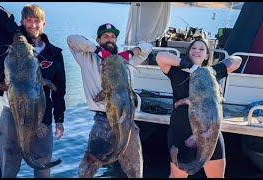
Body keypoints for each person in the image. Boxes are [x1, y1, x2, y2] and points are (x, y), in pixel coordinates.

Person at [0, 3, 66, 178]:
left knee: (43, 169)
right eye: (28, 20)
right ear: (22, 21)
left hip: (42, 117)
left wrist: (59, 119)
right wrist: (17, 32)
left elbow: (60, 90)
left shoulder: (54, 53)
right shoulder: (10, 42)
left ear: (44, 24)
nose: (33, 25)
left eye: (37, 21)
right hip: (11, 115)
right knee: (9, 168)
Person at [67, 23, 152, 178]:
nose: (110, 39)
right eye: (105, 36)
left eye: (113, 36)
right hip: (103, 119)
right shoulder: (87, 58)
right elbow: (72, 39)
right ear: (98, 40)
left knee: (135, 169)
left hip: (128, 119)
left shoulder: (125, 60)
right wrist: (98, 51)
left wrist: (132, 52)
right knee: (88, 167)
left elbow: (148, 47)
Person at [155, 39, 242, 178]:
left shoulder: (212, 74)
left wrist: (214, 70)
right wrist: (189, 66)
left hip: (211, 133)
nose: (197, 51)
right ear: (188, 52)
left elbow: (237, 60)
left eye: (202, 49)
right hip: (181, 132)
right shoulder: (176, 72)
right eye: (193, 48)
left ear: (207, 55)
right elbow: (160, 57)